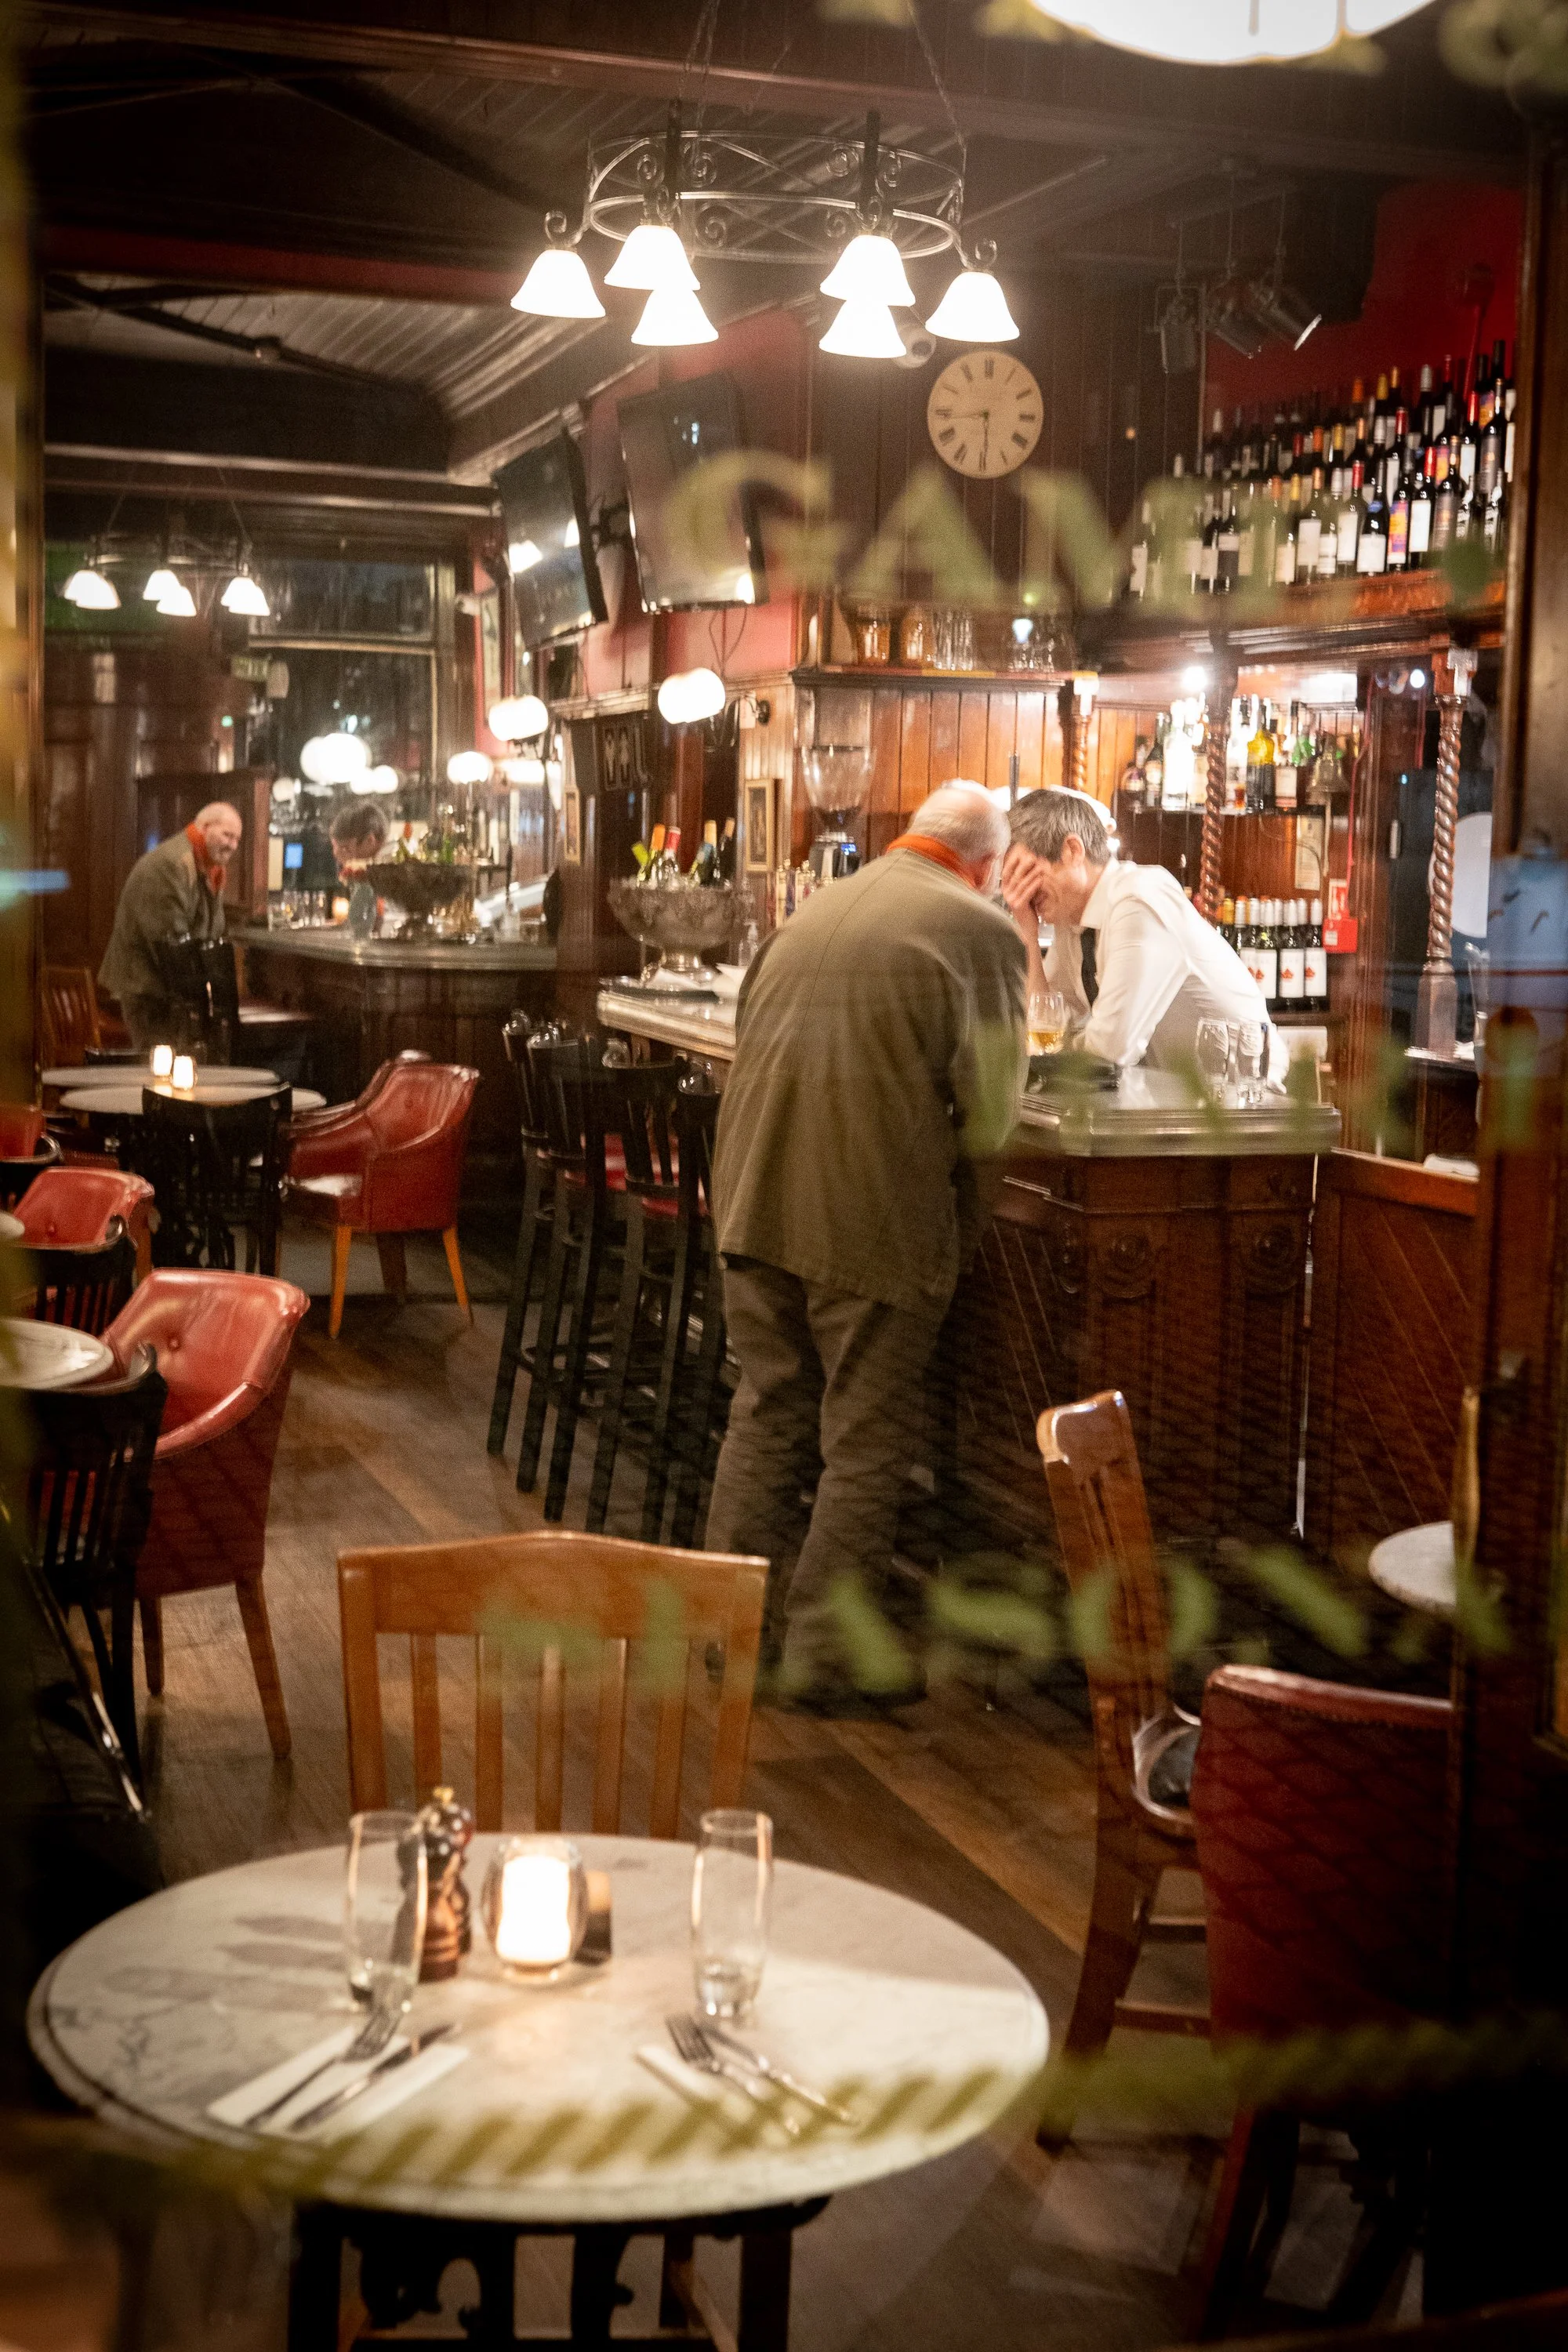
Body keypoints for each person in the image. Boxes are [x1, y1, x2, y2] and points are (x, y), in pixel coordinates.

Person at [705, 782, 1027, 1711]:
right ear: (987, 865)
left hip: (752, 1197)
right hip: (866, 1214)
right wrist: (955, 1240)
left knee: (766, 1411)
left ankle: (728, 1631)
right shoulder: (979, 928)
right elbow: (995, 1112)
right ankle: (823, 1657)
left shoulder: (822, 905)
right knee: (863, 1439)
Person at [1002, 786, 1267, 1070]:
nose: (1018, 891)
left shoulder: (1139, 899)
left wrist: (1056, 1050)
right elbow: (1047, 1025)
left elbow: (1109, 1051)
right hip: (1171, 1098)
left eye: (1025, 872)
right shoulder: (1073, 918)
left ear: (1072, 851)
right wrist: (1027, 936)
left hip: (1243, 1098)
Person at [98, 801, 242, 1050]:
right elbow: (170, 943)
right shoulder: (172, 864)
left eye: (237, 839)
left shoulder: (209, 867)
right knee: (159, 1074)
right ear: (205, 827)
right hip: (148, 990)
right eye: (227, 835)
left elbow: (212, 933)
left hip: (169, 992)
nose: (232, 845)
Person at [329, 800, 388, 873]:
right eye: (334, 847)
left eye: (345, 848)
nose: (338, 855)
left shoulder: (391, 871)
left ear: (369, 841)